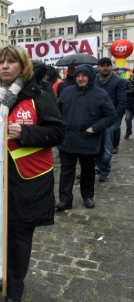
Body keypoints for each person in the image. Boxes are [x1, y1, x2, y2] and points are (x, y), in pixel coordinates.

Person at [0, 45, 65, 302]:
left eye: (11, 62)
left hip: (28, 180)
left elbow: (58, 132)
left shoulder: (39, 95)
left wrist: (24, 133)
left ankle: (15, 286)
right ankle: (2, 271)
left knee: (20, 232)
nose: (4, 66)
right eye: (0, 62)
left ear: (22, 66)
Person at [56, 64, 115, 212]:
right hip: (67, 140)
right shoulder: (67, 92)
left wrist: (94, 128)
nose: (80, 78)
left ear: (90, 77)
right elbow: (57, 112)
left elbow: (111, 116)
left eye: (84, 75)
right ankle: (65, 200)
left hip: (88, 140)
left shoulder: (100, 94)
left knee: (87, 171)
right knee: (66, 172)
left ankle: (88, 196)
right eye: (78, 76)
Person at [94, 57, 126, 181]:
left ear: (111, 66)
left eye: (107, 65)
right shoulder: (94, 80)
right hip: (95, 118)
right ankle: (95, 166)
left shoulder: (118, 81)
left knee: (107, 147)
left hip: (110, 119)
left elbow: (122, 102)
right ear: (98, 67)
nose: (105, 68)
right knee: (95, 145)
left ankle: (105, 170)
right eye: (102, 65)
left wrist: (113, 117)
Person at [125, 71, 134, 139]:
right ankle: (128, 132)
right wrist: (131, 91)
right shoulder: (127, 82)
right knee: (127, 119)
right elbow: (123, 91)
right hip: (129, 105)